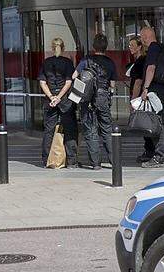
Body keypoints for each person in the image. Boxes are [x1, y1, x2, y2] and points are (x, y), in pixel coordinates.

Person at [73, 33, 117, 170]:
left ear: (93, 46)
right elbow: (113, 85)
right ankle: (113, 161)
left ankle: (95, 163)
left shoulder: (86, 60)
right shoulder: (110, 62)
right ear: (106, 47)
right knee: (107, 129)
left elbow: (75, 76)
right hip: (102, 97)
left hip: (87, 99)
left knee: (90, 129)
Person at [38, 37, 77, 168]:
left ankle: (46, 160)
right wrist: (59, 97)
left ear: (52, 47)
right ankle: (72, 161)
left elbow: (42, 82)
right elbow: (68, 82)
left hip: (49, 100)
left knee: (49, 130)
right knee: (70, 129)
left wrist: (51, 97)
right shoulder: (68, 63)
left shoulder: (46, 62)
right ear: (63, 47)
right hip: (65, 100)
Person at [139, 27, 164, 168]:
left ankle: (161, 156)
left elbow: (151, 68)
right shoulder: (162, 48)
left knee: (157, 122)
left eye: (142, 37)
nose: (142, 40)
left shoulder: (153, 48)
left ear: (147, 36)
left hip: (156, 92)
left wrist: (145, 88)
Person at [126, 36, 151, 163]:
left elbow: (138, 82)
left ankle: (149, 151)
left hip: (140, 97)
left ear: (139, 46)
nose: (130, 47)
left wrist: (133, 100)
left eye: (132, 45)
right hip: (143, 96)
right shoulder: (140, 61)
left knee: (144, 124)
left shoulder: (140, 61)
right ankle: (149, 150)